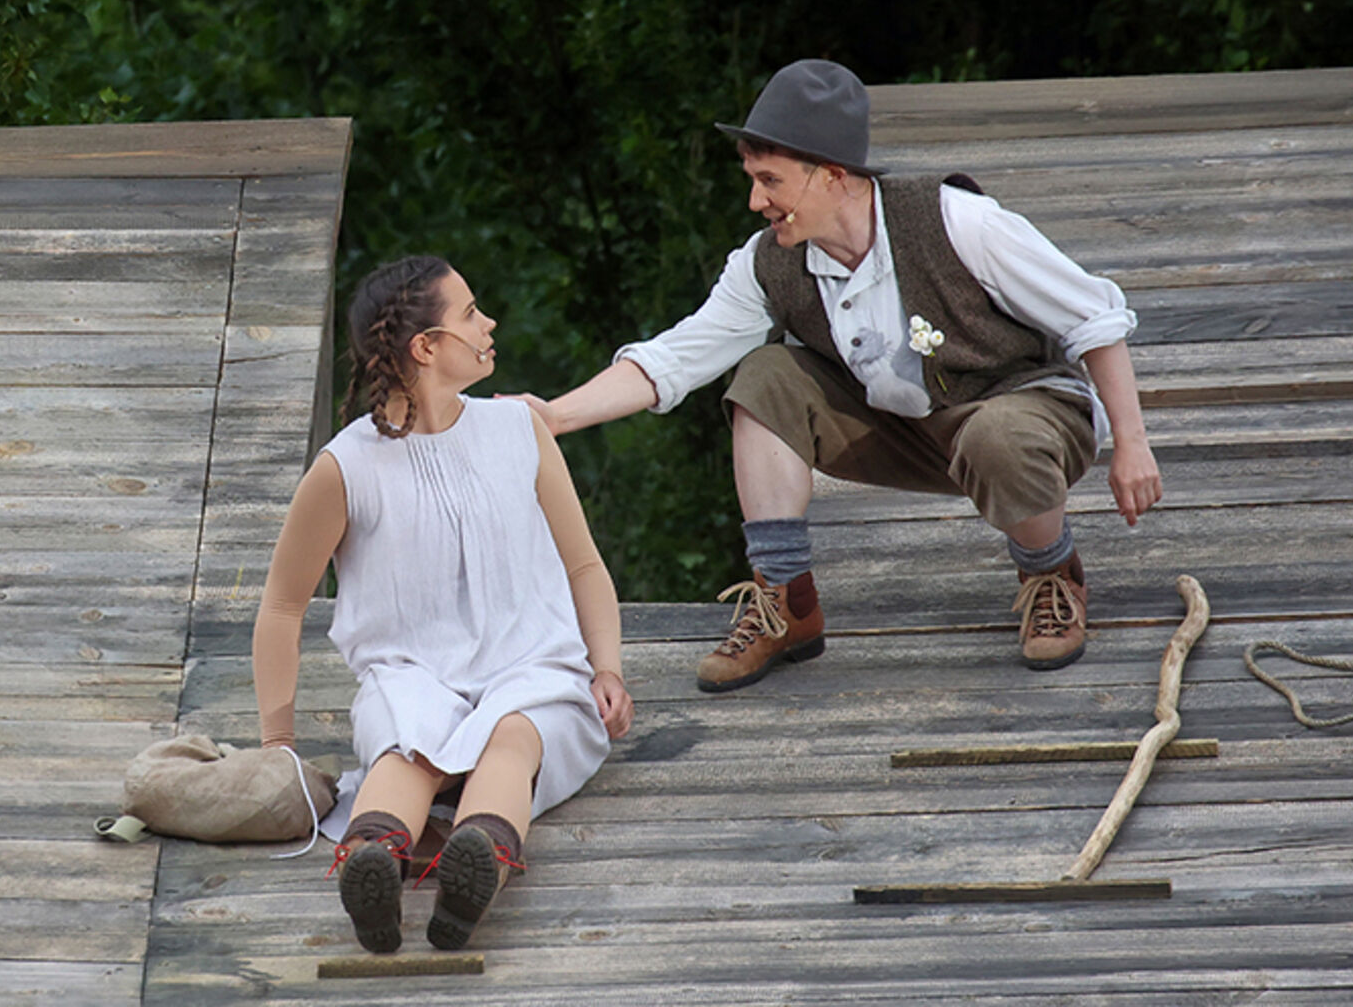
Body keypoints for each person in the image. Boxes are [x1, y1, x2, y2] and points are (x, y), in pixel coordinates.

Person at [515, 59, 1162, 688]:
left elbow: (1094, 317)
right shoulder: (768, 264)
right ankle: (786, 601)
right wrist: (558, 416)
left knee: (998, 436)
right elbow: (679, 355)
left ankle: (1050, 574)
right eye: (751, 178)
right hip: (901, 429)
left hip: (1022, 413)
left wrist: (1131, 443)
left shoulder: (957, 221)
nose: (754, 201)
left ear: (831, 175)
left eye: (769, 181)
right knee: (765, 373)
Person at [250, 255, 633, 954]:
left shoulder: (519, 430)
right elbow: (281, 607)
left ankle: (475, 860)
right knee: (408, 746)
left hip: (534, 666)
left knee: (513, 737)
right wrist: (278, 744)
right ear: (426, 347)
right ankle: (375, 858)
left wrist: (605, 666)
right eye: (470, 313)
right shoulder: (347, 467)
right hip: (409, 674)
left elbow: (583, 563)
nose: (488, 324)